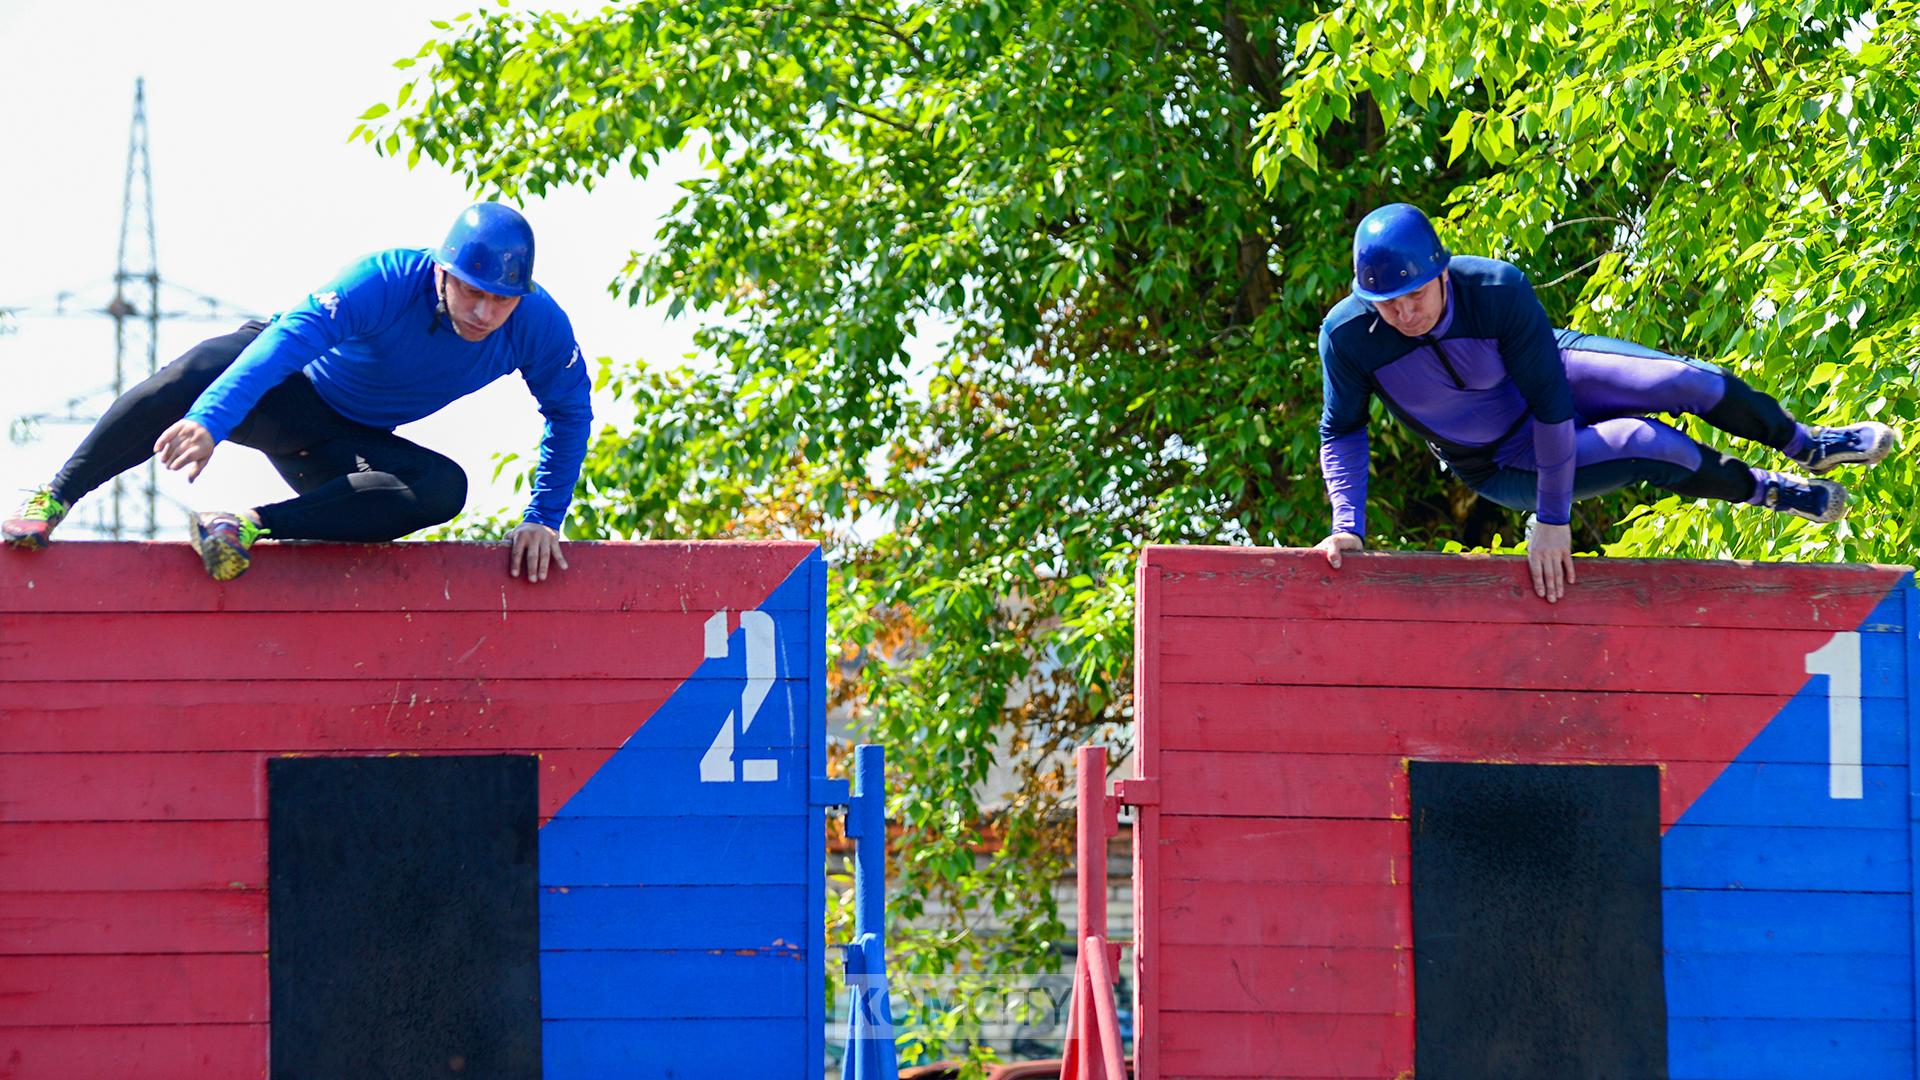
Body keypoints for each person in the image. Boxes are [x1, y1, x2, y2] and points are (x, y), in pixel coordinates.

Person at [1314, 203, 1898, 603]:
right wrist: (1349, 528)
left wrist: (1553, 518)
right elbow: (1341, 430)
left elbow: (1549, 401)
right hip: (1502, 457)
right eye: (1386, 304)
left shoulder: (1493, 290)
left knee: (1685, 380)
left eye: (1415, 295)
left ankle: (1809, 445)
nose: (1404, 314)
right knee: (1644, 442)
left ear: (1441, 271)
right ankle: (1769, 490)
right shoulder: (1347, 337)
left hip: (1550, 379)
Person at [3, 203, 591, 583]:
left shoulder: (537, 326)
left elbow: (569, 413)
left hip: (341, 441)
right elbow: (287, 343)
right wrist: (212, 418)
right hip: (282, 389)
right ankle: (53, 500)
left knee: (442, 489)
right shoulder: (382, 280)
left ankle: (242, 525)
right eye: (471, 293)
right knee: (194, 372)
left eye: (502, 300)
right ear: (441, 272)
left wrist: (543, 518)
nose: (485, 313)